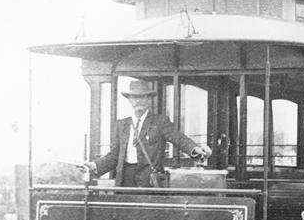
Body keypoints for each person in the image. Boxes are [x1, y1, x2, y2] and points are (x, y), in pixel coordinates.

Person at [81, 80, 211, 187]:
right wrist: (94, 165)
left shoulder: (159, 122)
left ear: (149, 100)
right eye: (134, 97)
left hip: (149, 181)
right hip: (124, 181)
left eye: (142, 97)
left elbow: (178, 138)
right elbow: (113, 156)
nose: (138, 101)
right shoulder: (121, 125)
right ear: (129, 100)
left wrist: (195, 149)